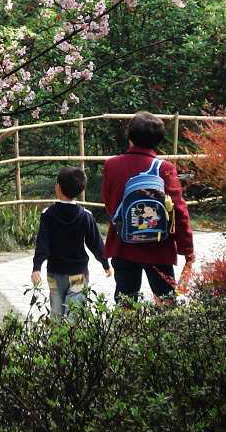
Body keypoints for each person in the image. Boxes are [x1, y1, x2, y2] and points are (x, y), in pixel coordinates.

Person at [102, 111, 194, 305]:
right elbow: (178, 210)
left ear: (130, 136)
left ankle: (125, 335)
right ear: (158, 140)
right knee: (166, 302)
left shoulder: (112, 165)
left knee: (126, 303)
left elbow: (109, 201)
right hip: (158, 246)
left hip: (123, 244)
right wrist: (186, 248)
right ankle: (164, 334)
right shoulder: (164, 168)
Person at [31, 166, 113, 319]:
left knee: (56, 313)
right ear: (81, 190)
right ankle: (72, 342)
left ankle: (57, 343)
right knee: (74, 316)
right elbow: (95, 243)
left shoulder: (48, 214)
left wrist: (37, 267)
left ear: (58, 187)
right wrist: (105, 264)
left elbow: (42, 243)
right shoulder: (86, 216)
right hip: (78, 273)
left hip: (54, 273)